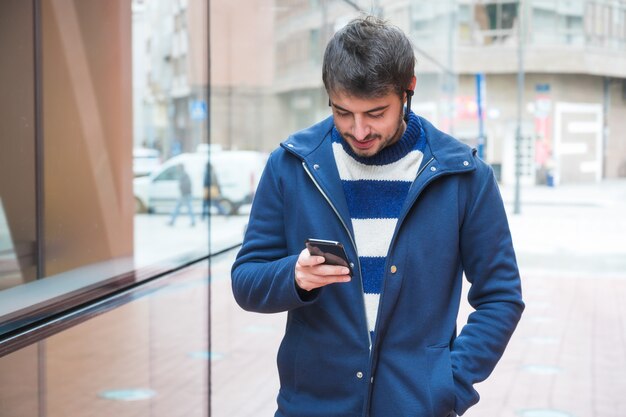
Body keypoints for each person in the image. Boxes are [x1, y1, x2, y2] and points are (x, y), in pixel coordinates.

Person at [231, 15, 524, 417]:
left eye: (375, 112)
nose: (359, 129)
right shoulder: (291, 165)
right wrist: (294, 276)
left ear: (409, 90)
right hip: (311, 406)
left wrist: (447, 385)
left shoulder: (465, 177)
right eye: (342, 112)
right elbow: (246, 280)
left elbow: (501, 296)